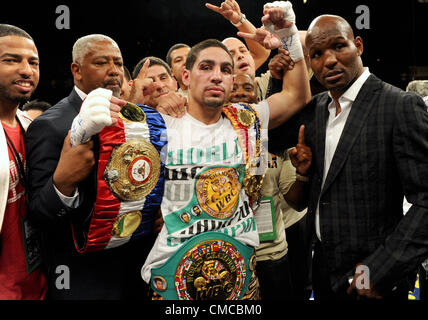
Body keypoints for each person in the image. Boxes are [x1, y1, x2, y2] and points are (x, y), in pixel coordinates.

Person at [137, 1, 310, 300]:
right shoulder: (158, 125)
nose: (217, 75)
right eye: (206, 67)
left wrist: (287, 32)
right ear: (187, 77)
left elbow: (297, 94)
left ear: (233, 80)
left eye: (225, 70)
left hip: (241, 279)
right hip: (173, 281)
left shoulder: (247, 120)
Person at [290, 14, 428, 300]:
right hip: (323, 274)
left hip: (374, 281)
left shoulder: (399, 105)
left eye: (339, 47)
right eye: (316, 54)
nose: (328, 61)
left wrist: (379, 269)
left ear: (359, 45)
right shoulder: (316, 110)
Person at [25, 34, 158, 299]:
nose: (113, 70)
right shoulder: (52, 124)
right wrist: (63, 184)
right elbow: (38, 214)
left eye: (118, 63)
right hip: (83, 277)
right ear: (77, 71)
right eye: (101, 62)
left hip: (135, 269)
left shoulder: (135, 118)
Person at [229, 73, 310, 300]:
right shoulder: (209, 138)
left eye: (248, 87)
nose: (241, 93)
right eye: (234, 88)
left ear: (258, 98)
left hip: (271, 254)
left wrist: (303, 174)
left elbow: (295, 200)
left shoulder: (273, 139)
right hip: (228, 252)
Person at [0, 23, 47, 300]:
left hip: (35, 284)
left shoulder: (31, 126)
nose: (27, 70)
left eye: (33, 62)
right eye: (11, 60)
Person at [206, 0, 272, 100]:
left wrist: (239, 19)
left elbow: (263, 51)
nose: (240, 56)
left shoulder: (269, 81)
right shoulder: (210, 100)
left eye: (243, 50)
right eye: (231, 54)